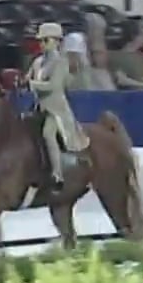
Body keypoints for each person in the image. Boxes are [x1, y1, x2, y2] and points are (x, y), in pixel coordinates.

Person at [27, 22, 90, 190]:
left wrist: (32, 85)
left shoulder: (61, 63)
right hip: (38, 107)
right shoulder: (37, 62)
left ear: (55, 42)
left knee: (48, 133)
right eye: (40, 41)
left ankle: (57, 174)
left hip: (55, 110)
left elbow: (54, 86)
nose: (42, 45)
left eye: (45, 40)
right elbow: (29, 76)